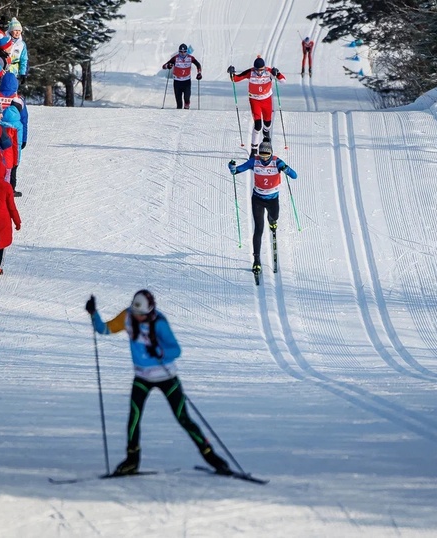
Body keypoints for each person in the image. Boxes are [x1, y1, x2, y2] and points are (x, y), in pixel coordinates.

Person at [85, 290, 232, 476]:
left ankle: (213, 459)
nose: (138, 317)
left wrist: (161, 352)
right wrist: (93, 314)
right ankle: (132, 461)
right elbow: (104, 329)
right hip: (142, 377)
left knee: (183, 418)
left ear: (150, 311)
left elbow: (176, 350)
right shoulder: (127, 316)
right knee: (134, 419)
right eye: (136, 313)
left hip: (166, 377)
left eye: (142, 315)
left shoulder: (159, 323)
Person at [228, 140, 298, 273]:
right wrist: (232, 168)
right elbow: (236, 171)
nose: (264, 158)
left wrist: (286, 169)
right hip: (258, 200)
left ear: (271, 153)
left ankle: (272, 222)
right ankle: (257, 261)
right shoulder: (254, 161)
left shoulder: (277, 162)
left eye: (267, 155)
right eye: (262, 155)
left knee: (274, 217)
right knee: (258, 229)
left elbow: (294, 176)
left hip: (273, 199)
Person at [228, 56, 286, 157]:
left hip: (266, 100)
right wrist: (231, 73)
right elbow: (235, 79)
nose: (259, 73)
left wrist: (278, 73)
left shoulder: (269, 72)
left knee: (267, 123)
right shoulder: (250, 72)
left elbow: (283, 81)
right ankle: (254, 150)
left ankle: (266, 131)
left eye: (261, 70)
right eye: (257, 70)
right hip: (255, 100)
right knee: (258, 125)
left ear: (264, 68)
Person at [0, 156, 20, 276]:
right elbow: (11, 207)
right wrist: (17, 221)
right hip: (3, 220)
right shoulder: (7, 187)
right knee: (3, 244)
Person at [161, 43, 201, 109]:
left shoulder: (190, 58)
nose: (183, 53)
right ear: (179, 51)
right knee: (179, 103)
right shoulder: (175, 58)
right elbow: (164, 66)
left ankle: (187, 106)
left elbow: (198, 65)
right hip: (177, 82)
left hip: (186, 81)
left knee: (186, 98)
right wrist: (168, 66)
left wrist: (199, 73)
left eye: (184, 52)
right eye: (181, 52)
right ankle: (179, 117)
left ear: (186, 51)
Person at [6, 18, 27, 84]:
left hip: (14, 71)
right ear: (10, 30)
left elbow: (24, 59)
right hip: (3, 69)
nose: (17, 32)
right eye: (15, 30)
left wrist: (22, 73)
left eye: (19, 30)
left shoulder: (22, 44)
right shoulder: (4, 40)